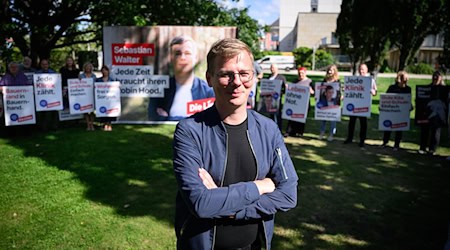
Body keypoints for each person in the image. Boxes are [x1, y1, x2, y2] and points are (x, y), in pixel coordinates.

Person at [173, 38, 298, 249]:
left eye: (244, 73)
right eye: (226, 74)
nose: (237, 82)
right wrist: (260, 186)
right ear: (209, 78)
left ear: (254, 76)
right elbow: (201, 203)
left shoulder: (268, 129)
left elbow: (288, 195)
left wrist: (230, 209)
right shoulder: (190, 131)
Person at [148, 36, 214, 121]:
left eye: (187, 53)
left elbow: (210, 120)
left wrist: (167, 118)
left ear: (195, 58)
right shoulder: (160, 90)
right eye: (177, 53)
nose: (182, 57)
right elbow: (153, 118)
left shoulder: (208, 91)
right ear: (171, 58)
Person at [344, 63, 378, 148]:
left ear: (366, 70)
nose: (361, 71)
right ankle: (349, 138)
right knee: (351, 122)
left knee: (363, 124)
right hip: (354, 104)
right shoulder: (354, 79)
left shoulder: (370, 80)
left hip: (363, 106)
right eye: (360, 69)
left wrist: (373, 92)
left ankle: (362, 140)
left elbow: (374, 91)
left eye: (363, 69)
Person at [381, 71, 412, 151]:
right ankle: (385, 142)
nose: (403, 79)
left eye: (405, 78)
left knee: (399, 128)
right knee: (388, 126)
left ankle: (396, 144)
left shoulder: (408, 89)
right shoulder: (392, 87)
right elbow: (386, 98)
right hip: (392, 110)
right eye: (401, 77)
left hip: (401, 112)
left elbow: (408, 100)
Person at [418, 71, 447, 155]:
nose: (435, 78)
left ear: (441, 78)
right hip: (427, 113)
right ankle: (422, 147)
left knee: (436, 131)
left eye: (437, 77)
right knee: (424, 130)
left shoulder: (444, 89)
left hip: (439, 114)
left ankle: (432, 149)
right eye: (434, 77)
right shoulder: (427, 88)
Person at [284, 66, 314, 137]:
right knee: (292, 118)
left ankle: (299, 132)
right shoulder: (295, 81)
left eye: (302, 73)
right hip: (295, 103)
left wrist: (311, 91)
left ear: (305, 73)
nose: (301, 74)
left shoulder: (309, 81)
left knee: (301, 118)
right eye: (299, 73)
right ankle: (290, 132)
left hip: (304, 103)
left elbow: (314, 92)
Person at [317, 64, 341, 141]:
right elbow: (320, 91)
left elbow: (339, 92)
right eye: (329, 70)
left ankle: (331, 134)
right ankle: (322, 133)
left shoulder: (337, 81)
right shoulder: (324, 80)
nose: (330, 71)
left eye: (332, 70)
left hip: (334, 103)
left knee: (333, 119)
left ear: (335, 71)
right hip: (324, 102)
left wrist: (340, 97)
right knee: (323, 118)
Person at [35, 59, 58, 131]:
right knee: (42, 112)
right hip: (41, 96)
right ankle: (43, 127)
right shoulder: (37, 74)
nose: (45, 66)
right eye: (43, 64)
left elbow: (57, 83)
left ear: (48, 65)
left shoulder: (53, 73)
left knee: (54, 111)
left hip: (52, 95)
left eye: (46, 64)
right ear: (41, 65)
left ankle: (54, 126)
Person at [264, 63, 286, 131]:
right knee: (270, 115)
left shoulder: (281, 77)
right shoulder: (268, 77)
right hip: (269, 99)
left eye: (273, 68)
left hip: (277, 99)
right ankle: (271, 129)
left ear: (277, 69)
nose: (272, 69)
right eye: (271, 68)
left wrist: (281, 93)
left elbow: (285, 88)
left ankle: (279, 129)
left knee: (278, 115)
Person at [95, 65, 116, 131]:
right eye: (103, 70)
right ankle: (104, 124)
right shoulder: (98, 80)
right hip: (101, 99)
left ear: (108, 71)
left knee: (110, 111)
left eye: (105, 70)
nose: (104, 72)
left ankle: (109, 124)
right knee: (103, 111)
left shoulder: (111, 80)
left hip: (110, 99)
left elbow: (115, 88)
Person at [79, 62, 97, 131]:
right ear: (84, 68)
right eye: (87, 67)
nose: (88, 68)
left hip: (92, 94)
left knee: (92, 110)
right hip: (84, 95)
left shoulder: (94, 76)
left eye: (90, 67)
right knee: (85, 110)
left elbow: (96, 84)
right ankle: (88, 125)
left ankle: (91, 124)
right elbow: (78, 84)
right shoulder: (81, 76)